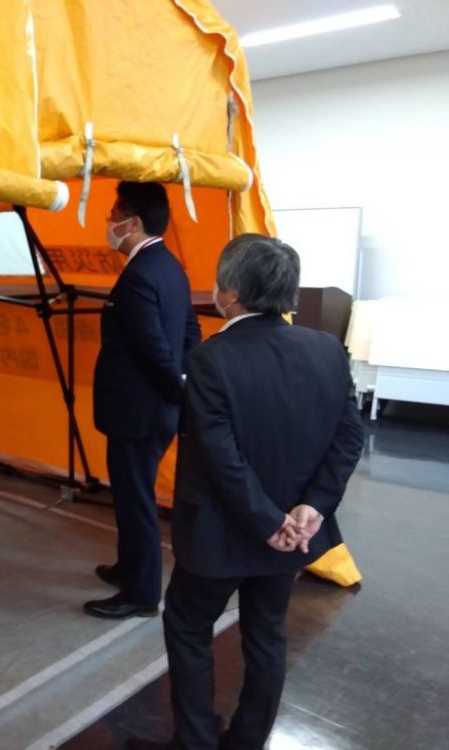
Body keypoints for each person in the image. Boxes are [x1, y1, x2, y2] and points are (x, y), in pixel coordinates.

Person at [127, 235, 364, 750]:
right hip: (295, 533)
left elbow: (220, 456)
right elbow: (350, 436)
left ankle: (195, 742)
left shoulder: (211, 358)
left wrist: (267, 521)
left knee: (188, 625)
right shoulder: (326, 350)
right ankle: (248, 741)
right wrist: (312, 507)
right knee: (267, 633)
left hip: (221, 533)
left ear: (229, 292)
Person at [86, 182, 201, 620]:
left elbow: (153, 349)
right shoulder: (170, 267)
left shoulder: (139, 275)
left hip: (138, 411)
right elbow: (190, 332)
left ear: (132, 223)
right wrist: (183, 388)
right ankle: (128, 567)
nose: (109, 223)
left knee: (136, 500)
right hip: (156, 408)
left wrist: (177, 391)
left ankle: (141, 593)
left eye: (114, 215)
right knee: (131, 493)